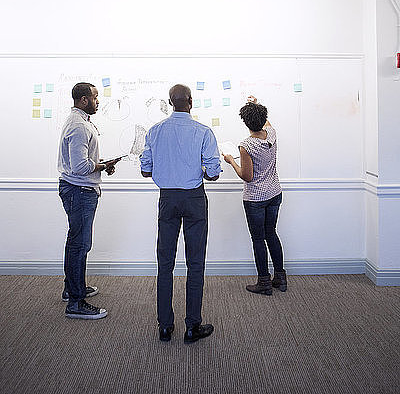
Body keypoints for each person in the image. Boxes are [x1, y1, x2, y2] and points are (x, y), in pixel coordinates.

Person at [140, 84, 221, 343]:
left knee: (165, 263)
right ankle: (192, 326)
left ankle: (165, 326)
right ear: (191, 101)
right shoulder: (203, 132)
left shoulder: (155, 131)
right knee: (195, 262)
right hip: (194, 198)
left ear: (170, 102)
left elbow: (145, 170)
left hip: (167, 200)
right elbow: (213, 173)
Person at [58, 82, 120, 319]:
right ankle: (75, 302)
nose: (98, 101)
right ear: (83, 100)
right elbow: (81, 166)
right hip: (79, 191)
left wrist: (102, 163)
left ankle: (72, 288)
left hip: (78, 189)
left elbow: (83, 161)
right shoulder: (79, 126)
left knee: (75, 242)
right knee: (80, 245)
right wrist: (103, 166)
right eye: (95, 97)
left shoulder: (79, 121)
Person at [223, 96, 287, 295]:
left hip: (256, 199)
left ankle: (264, 283)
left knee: (258, 239)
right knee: (271, 234)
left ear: (245, 123)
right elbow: (266, 122)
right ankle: (280, 278)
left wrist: (231, 161)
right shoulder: (272, 134)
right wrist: (256, 103)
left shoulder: (246, 146)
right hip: (275, 193)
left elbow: (247, 176)